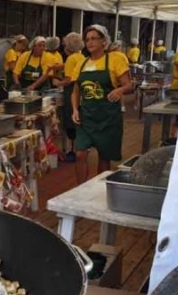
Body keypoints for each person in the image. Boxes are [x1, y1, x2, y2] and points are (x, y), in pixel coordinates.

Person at [71, 25, 132, 184]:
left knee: (104, 157)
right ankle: (81, 189)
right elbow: (76, 91)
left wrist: (119, 91)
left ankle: (100, 188)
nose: (89, 42)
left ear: (104, 41)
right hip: (87, 116)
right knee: (80, 154)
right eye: (87, 39)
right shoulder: (81, 64)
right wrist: (75, 109)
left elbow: (128, 85)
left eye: (94, 38)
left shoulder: (115, 60)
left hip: (108, 117)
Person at [53, 32, 85, 162]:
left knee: (71, 122)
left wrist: (58, 83)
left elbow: (69, 79)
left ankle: (72, 150)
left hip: (71, 91)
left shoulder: (71, 59)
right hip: (81, 91)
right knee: (79, 121)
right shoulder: (81, 56)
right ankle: (81, 148)